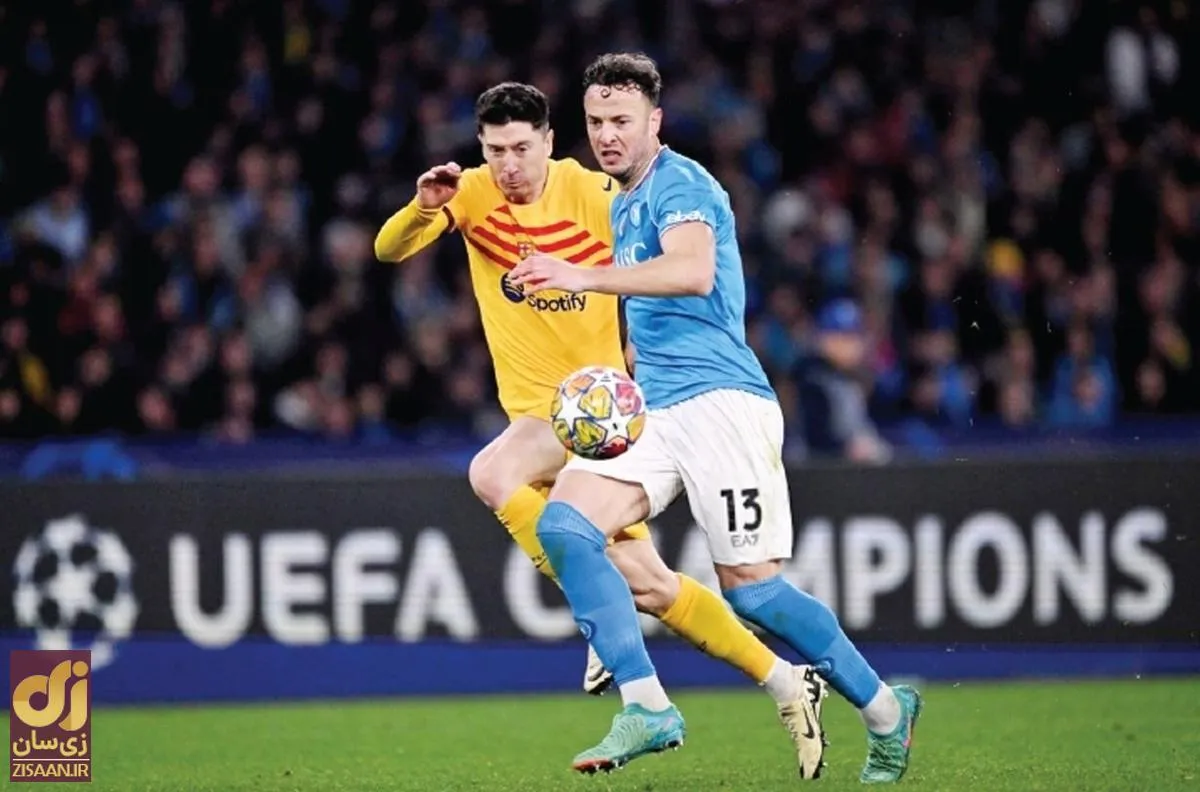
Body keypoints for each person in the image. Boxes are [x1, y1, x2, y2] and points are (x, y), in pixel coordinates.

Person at [374, 82, 830, 776]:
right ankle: (785, 680)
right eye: (495, 151)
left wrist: (654, 343)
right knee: (651, 586)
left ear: (550, 142)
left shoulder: (595, 194)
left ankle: (612, 643)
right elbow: (388, 250)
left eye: (521, 148)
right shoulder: (470, 194)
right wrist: (423, 207)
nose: (509, 165)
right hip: (537, 415)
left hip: (597, 414)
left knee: (492, 473)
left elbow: (663, 265)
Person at [510, 54, 923, 783]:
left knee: (754, 594)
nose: (607, 135)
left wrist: (581, 276)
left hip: (723, 406)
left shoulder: (683, 184)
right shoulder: (623, 202)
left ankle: (886, 710)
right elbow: (649, 312)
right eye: (597, 121)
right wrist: (621, 366)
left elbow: (693, 270)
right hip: (656, 412)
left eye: (622, 121)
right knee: (566, 526)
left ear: (655, 122)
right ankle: (647, 706)